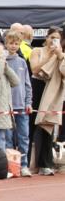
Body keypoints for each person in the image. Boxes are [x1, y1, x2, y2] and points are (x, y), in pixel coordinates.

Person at [29, 28, 65, 176]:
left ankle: (46, 163)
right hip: (36, 88)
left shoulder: (61, 54)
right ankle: (29, 163)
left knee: (47, 126)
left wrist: (59, 55)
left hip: (51, 91)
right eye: (51, 37)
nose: (53, 41)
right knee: (32, 125)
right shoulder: (37, 50)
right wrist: (49, 55)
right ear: (46, 37)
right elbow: (35, 69)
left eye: (57, 38)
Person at [4, 29, 33, 176]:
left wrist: (29, 102)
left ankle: (24, 165)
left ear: (20, 44)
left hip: (22, 106)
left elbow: (27, 84)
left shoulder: (22, 62)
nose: (13, 46)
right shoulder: (1, 61)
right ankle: (11, 167)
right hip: (6, 106)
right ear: (6, 44)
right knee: (8, 138)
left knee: (23, 137)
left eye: (16, 43)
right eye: (11, 43)